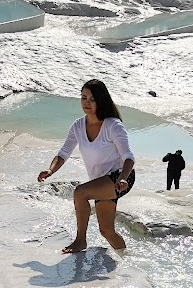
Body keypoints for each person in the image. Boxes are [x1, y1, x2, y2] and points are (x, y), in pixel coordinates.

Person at [37, 79, 136, 254]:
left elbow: (128, 157)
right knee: (106, 231)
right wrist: (50, 170)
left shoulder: (113, 126)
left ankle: (80, 241)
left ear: (101, 100)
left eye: (92, 99)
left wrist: (122, 178)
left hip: (121, 177)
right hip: (100, 181)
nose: (86, 103)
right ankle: (127, 258)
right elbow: (63, 153)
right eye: (83, 98)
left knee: (80, 192)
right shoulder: (78, 126)